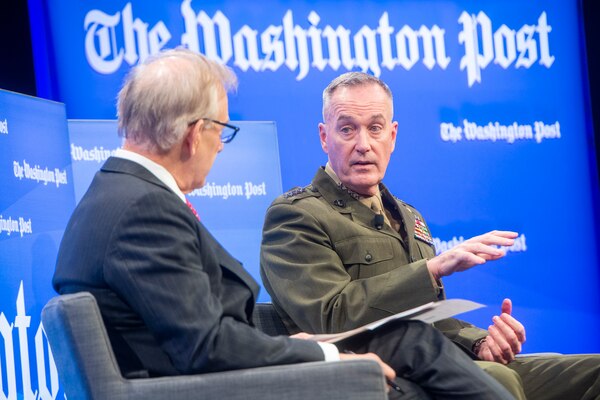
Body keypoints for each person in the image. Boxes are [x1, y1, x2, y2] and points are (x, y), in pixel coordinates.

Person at [52, 49, 514, 399]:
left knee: (409, 342)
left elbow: (196, 328)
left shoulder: (117, 194)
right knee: (408, 353)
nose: (221, 147)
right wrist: (323, 353)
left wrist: (300, 343)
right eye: (222, 131)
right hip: (211, 389)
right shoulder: (141, 211)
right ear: (195, 135)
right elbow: (205, 347)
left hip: (215, 378)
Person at [260, 71, 600, 400]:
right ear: (324, 136)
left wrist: (480, 343)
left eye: (375, 128)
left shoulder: (409, 216)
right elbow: (330, 317)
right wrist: (430, 271)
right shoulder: (296, 215)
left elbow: (430, 320)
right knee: (499, 379)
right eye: (348, 129)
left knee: (592, 372)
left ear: (392, 136)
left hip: (443, 363)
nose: (363, 144)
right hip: (374, 375)